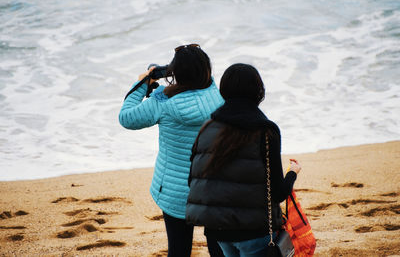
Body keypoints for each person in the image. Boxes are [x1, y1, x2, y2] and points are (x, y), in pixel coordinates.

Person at [119, 44, 224, 257]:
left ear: (176, 73)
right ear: (206, 70)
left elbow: (126, 117)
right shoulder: (218, 95)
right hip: (214, 190)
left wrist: (143, 83)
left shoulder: (162, 101)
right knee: (219, 250)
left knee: (179, 250)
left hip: (176, 193)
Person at [186, 63, 302, 257]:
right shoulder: (266, 131)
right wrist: (292, 173)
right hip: (255, 230)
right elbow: (278, 192)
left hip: (218, 229)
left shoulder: (207, 128)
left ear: (224, 91)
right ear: (258, 91)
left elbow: (194, 181)